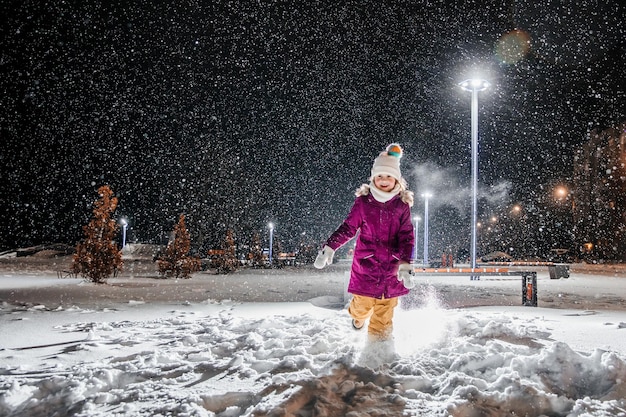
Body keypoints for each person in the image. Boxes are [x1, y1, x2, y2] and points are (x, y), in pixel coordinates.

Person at [314, 143, 416, 341]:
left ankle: (377, 351)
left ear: (396, 178)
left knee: (384, 316)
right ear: (372, 179)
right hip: (366, 267)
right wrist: (330, 246)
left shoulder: (401, 205)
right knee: (362, 308)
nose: (383, 180)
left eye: (388, 176)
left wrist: (405, 263)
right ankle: (357, 318)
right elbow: (348, 228)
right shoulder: (364, 202)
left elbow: (406, 235)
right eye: (379, 176)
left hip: (391, 270)